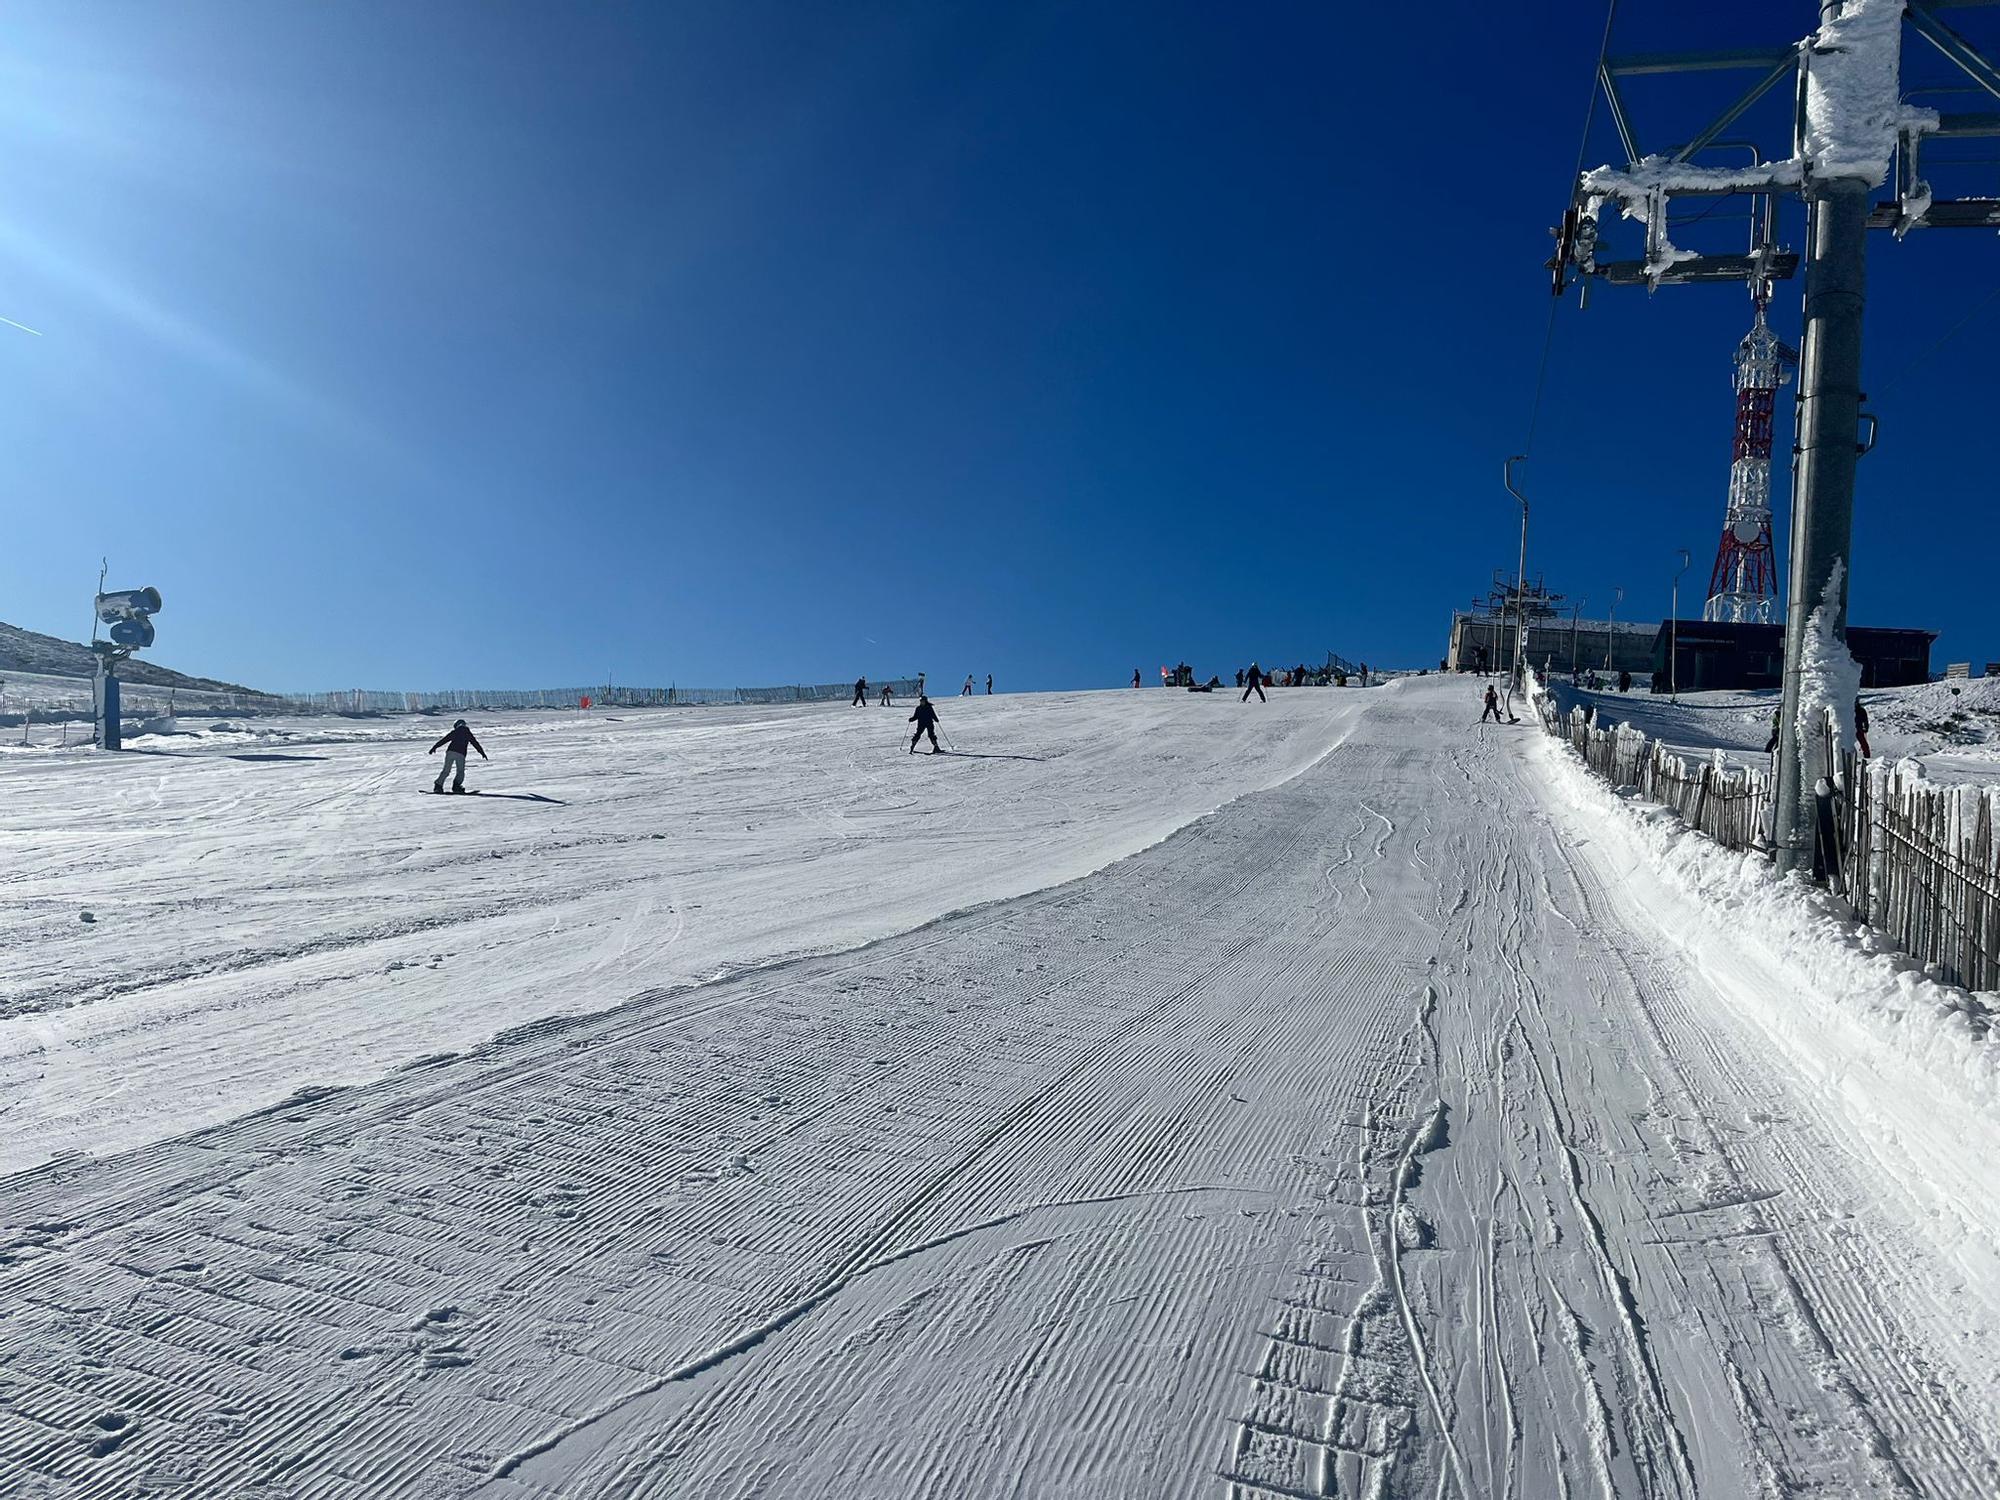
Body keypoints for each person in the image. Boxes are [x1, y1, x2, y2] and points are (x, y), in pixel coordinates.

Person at [429, 718, 487, 793]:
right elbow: (475, 743)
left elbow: (444, 740)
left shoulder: (455, 731)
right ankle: (456, 786)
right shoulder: (467, 732)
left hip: (450, 752)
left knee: (446, 770)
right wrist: (482, 752)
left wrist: (434, 747)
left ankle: (438, 785)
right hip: (460, 754)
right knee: (460, 771)